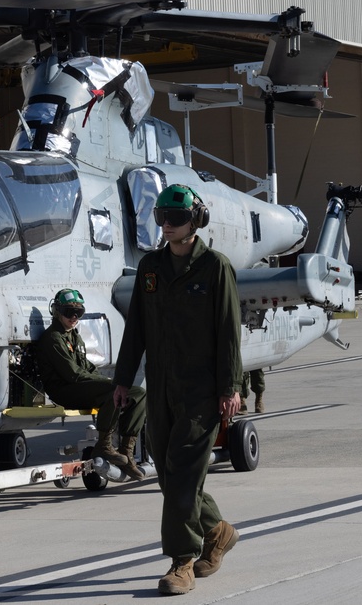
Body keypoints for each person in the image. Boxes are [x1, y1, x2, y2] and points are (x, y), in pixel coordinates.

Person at [111, 184, 243, 595]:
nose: (166, 225)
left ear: (195, 220)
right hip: (161, 387)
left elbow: (228, 332)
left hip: (202, 391)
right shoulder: (151, 268)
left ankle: (181, 561)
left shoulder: (216, 268)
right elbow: (136, 329)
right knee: (170, 478)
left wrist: (231, 387)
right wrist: (123, 379)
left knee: (184, 475)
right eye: (160, 218)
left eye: (174, 218)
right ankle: (218, 531)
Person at [36, 288, 147, 481]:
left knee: (138, 393)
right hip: (64, 390)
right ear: (56, 311)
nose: (73, 317)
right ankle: (104, 445)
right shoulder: (54, 338)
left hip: (79, 386)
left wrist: (112, 383)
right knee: (114, 391)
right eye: (68, 312)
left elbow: (87, 367)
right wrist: (108, 383)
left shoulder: (74, 336)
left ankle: (126, 451)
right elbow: (73, 374)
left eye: (78, 313)